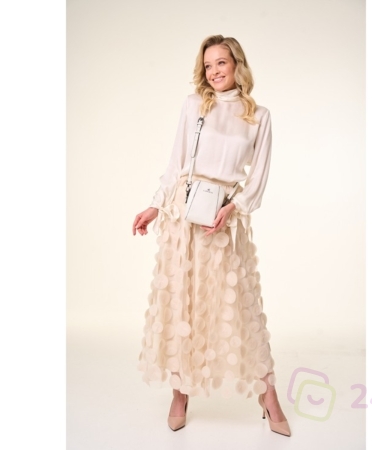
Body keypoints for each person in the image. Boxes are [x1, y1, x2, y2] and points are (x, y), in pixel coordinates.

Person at [132, 34, 290, 437]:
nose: (215, 71)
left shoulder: (259, 116)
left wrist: (231, 209)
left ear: (237, 64)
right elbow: (176, 164)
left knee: (240, 307)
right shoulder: (194, 106)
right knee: (181, 303)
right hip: (183, 219)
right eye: (208, 65)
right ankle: (180, 392)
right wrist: (154, 206)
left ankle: (268, 394)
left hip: (223, 218)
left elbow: (257, 178)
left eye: (221, 62)